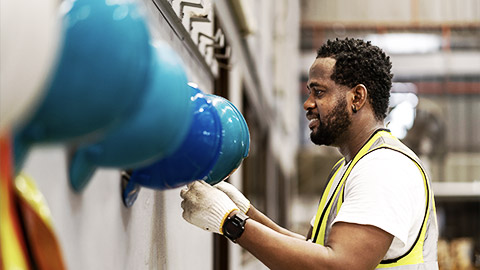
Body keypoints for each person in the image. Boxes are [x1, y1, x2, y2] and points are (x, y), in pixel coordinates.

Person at [180, 38, 439, 269]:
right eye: (309, 93)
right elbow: (314, 249)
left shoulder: (384, 167)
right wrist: (246, 213)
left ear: (357, 97)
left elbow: (339, 265)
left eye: (319, 92)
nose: (308, 104)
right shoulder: (349, 167)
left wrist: (231, 222)